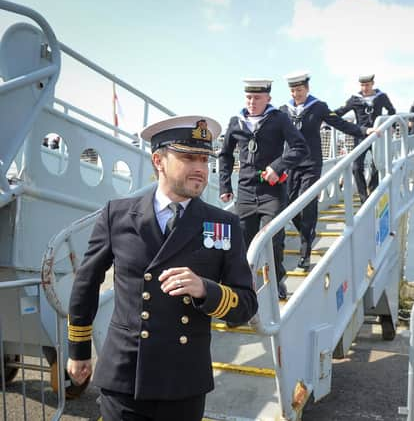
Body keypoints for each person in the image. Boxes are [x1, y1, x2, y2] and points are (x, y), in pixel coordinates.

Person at [66, 116, 258, 421]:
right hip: (124, 375)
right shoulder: (117, 215)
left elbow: (245, 305)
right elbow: (86, 283)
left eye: (204, 159)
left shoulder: (224, 224)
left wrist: (205, 290)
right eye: (187, 157)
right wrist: (78, 350)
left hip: (183, 381)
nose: (200, 168)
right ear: (158, 160)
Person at [218, 79, 309, 299]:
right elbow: (225, 155)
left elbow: (300, 147)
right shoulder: (236, 122)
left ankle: (277, 281)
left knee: (273, 240)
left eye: (257, 98)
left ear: (268, 99)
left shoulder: (279, 119)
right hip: (246, 192)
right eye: (248, 97)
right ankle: (242, 291)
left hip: (272, 192)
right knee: (241, 244)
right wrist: (225, 185)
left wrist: (277, 167)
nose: (252, 102)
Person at [280, 72, 366, 271]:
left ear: (307, 89)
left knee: (306, 201)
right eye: (293, 90)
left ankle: (305, 250)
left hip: (311, 162)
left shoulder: (318, 107)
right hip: (290, 163)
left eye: (299, 90)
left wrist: (363, 131)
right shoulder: (284, 110)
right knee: (290, 204)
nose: (296, 94)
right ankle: (307, 233)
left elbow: (340, 124)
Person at [334, 74, 395, 203]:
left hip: (377, 135)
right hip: (361, 136)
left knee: (378, 164)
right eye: (362, 85)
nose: (364, 88)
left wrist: (392, 125)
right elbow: (340, 111)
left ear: (372, 84)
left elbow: (391, 111)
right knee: (356, 167)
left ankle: (372, 189)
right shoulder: (355, 99)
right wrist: (325, 117)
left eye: (367, 85)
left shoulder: (381, 97)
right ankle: (363, 197)